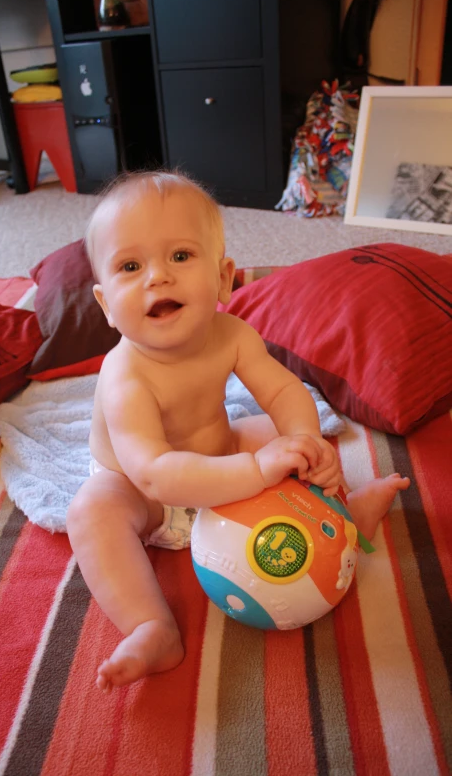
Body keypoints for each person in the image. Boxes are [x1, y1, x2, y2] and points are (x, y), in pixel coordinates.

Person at [67, 170, 410, 694]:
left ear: (224, 278)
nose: (157, 277)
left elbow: (281, 391)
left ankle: (342, 515)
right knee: (91, 512)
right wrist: (256, 471)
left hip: (219, 452)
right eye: (130, 266)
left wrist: (303, 441)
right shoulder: (125, 375)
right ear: (107, 305)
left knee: (274, 434)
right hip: (146, 496)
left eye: (181, 256)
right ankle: (150, 625)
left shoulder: (232, 334)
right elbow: (155, 474)